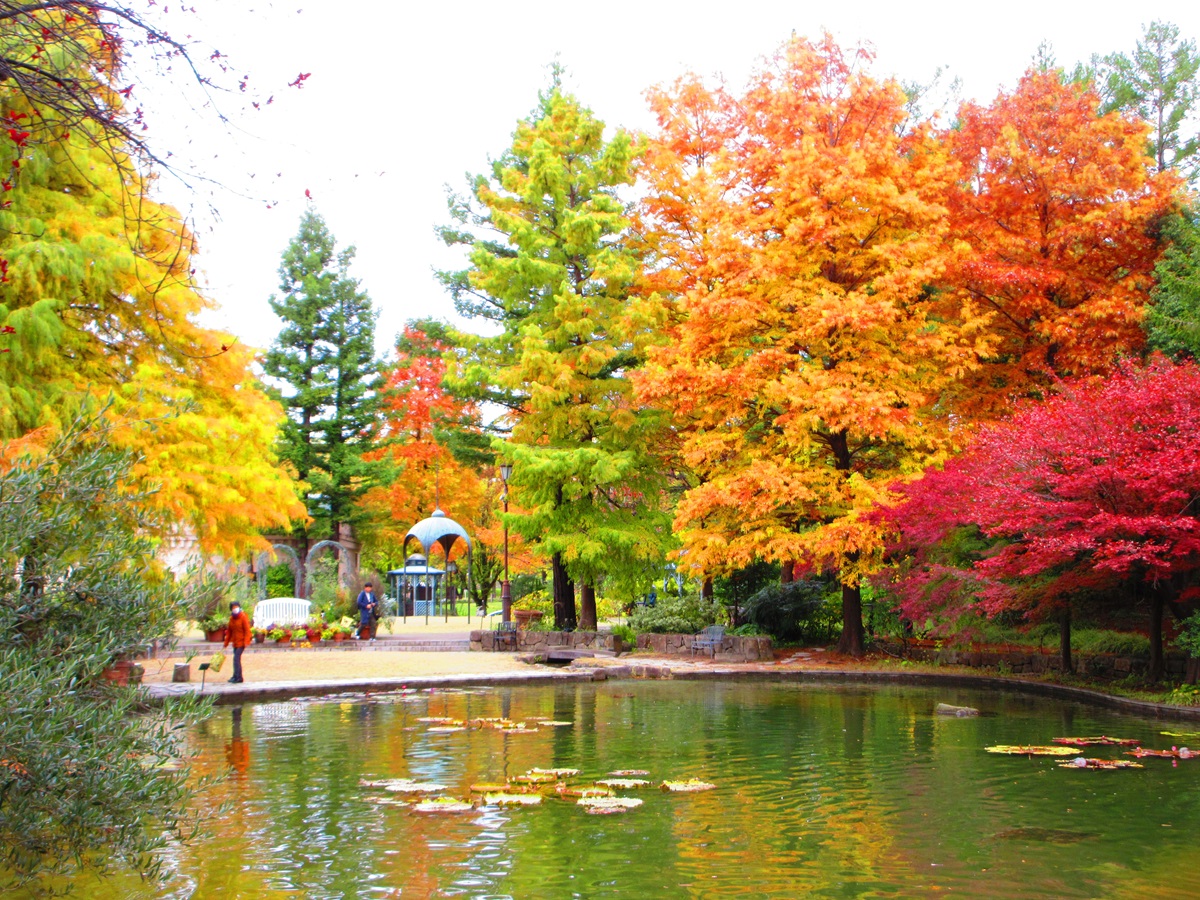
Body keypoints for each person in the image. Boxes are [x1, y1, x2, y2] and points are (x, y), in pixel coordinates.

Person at [223, 600, 252, 683]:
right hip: (235, 643)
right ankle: (235, 676)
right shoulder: (231, 619)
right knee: (236, 659)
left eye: (236, 607)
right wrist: (226, 643)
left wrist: (246, 641)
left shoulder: (243, 616)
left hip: (241, 642)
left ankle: (238, 677)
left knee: (236, 659)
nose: (235, 609)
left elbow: (247, 630)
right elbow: (229, 632)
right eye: (233, 608)